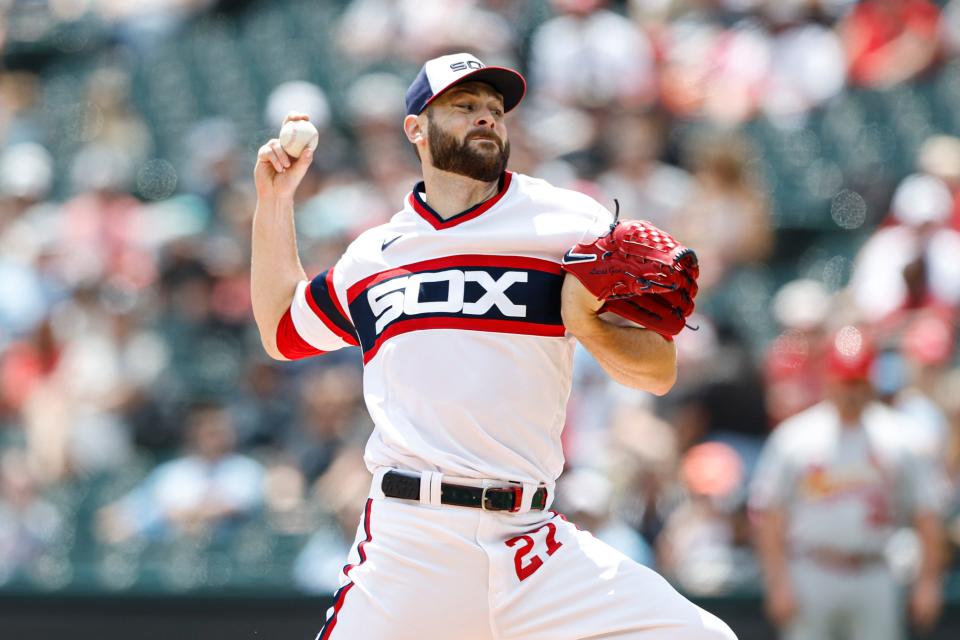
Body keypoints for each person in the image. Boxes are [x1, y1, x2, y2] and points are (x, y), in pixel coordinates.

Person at [251, 52, 736, 640]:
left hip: (533, 545)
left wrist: (589, 325)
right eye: (464, 106)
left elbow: (658, 371)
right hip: (412, 542)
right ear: (416, 130)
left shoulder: (569, 224)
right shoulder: (375, 256)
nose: (487, 117)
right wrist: (274, 202)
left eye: (495, 109)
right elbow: (282, 330)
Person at [750, 326, 946, 640]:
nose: (851, 391)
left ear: (871, 380)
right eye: (845, 381)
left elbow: (928, 514)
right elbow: (769, 515)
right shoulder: (796, 436)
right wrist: (778, 583)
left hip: (875, 570)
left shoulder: (901, 437)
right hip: (811, 568)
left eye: (858, 381)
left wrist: (928, 583)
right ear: (829, 379)